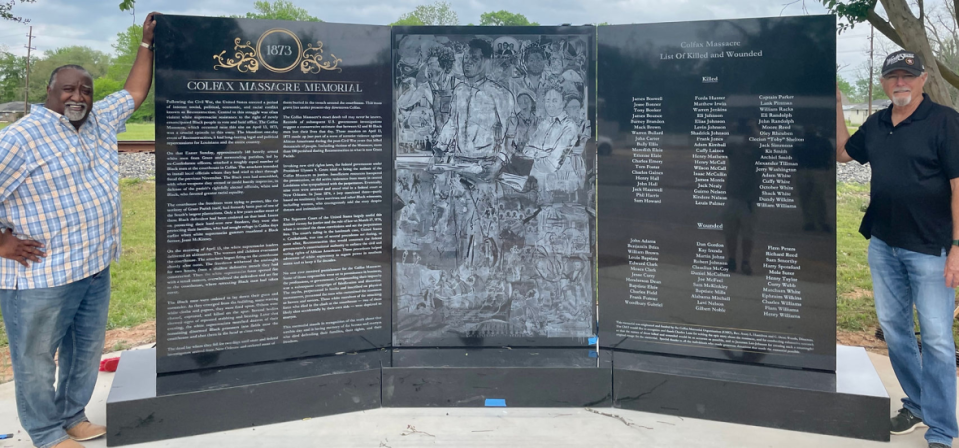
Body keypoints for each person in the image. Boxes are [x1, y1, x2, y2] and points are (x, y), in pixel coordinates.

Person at [0, 13, 159, 448]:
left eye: (85, 89)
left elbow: (133, 91)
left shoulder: (98, 122)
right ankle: (47, 432)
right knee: (35, 359)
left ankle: (72, 417)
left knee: (83, 354)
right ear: (49, 92)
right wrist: (3, 242)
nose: (78, 95)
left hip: (92, 266)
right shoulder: (22, 138)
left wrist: (146, 44)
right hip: (41, 277)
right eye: (68, 88)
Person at [836, 50, 959, 448]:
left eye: (908, 75)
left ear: (923, 79)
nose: (900, 83)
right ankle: (919, 404)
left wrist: (958, 246)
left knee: (938, 338)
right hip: (884, 245)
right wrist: (837, 105)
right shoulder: (877, 122)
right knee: (895, 330)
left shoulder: (945, 122)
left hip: (931, 248)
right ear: (884, 83)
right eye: (893, 77)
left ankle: (942, 429)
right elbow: (842, 153)